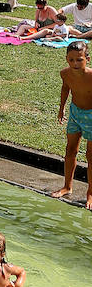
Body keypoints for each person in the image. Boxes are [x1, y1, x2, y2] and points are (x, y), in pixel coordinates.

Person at [52, 41, 92, 206]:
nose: (75, 63)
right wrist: (61, 109)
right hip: (75, 113)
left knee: (91, 156)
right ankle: (67, 186)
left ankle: (90, 193)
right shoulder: (65, 74)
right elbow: (65, 89)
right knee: (70, 151)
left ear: (87, 59)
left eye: (79, 60)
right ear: (67, 59)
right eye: (71, 60)